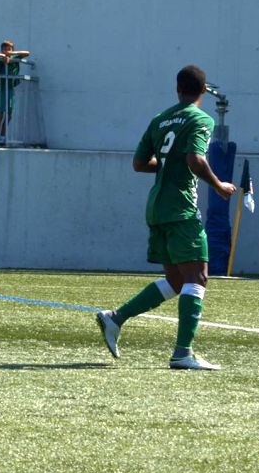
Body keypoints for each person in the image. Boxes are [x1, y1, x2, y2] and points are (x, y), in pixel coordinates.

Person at [95, 65, 235, 371]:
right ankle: (183, 353)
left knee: (176, 279)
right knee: (198, 277)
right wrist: (220, 185)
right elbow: (195, 159)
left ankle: (115, 318)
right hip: (181, 208)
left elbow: (139, 163)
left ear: (177, 89)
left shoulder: (160, 119)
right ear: (202, 91)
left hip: (157, 207)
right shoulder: (201, 118)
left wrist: (167, 164)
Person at [0, 40, 30, 145]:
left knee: (9, 115)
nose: (6, 51)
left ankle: (3, 137)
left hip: (10, 89)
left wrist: (11, 54)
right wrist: (3, 56)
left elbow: (27, 53)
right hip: (1, 88)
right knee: (0, 114)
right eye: (4, 49)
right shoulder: (0, 59)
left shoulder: (15, 58)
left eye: (9, 49)